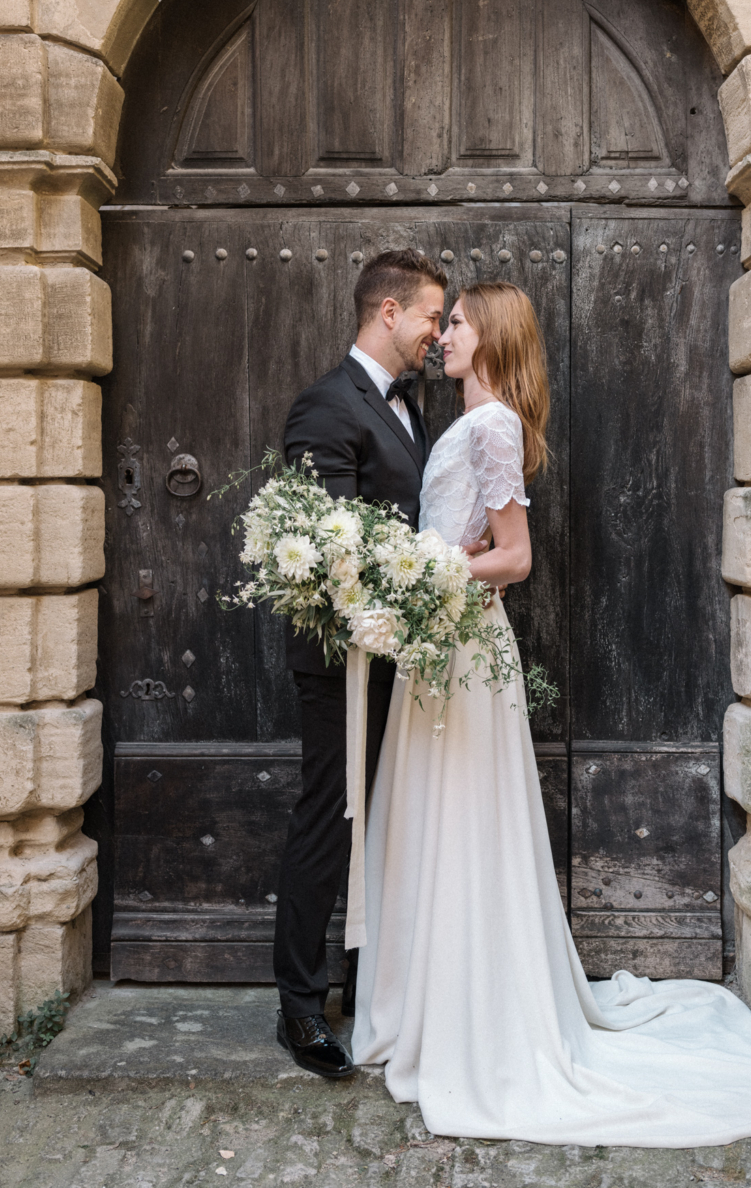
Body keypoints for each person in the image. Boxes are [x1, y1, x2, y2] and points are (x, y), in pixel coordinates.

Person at [351, 282, 751, 1148]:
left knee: (464, 826)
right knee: (437, 822)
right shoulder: (473, 421)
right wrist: (434, 563)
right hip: (440, 648)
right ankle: (438, 1004)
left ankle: (473, 1021)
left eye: (458, 323)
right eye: (442, 323)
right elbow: (477, 536)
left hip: (462, 647)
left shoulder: (490, 425)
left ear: (489, 337)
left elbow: (512, 559)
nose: (443, 334)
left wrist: (423, 571)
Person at [272, 248, 449, 1080]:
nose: (436, 335)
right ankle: (300, 1009)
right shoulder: (324, 406)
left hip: (398, 653)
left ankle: (368, 979)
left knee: (385, 817)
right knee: (328, 819)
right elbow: (328, 553)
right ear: (387, 311)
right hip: (341, 658)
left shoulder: (412, 408)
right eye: (428, 318)